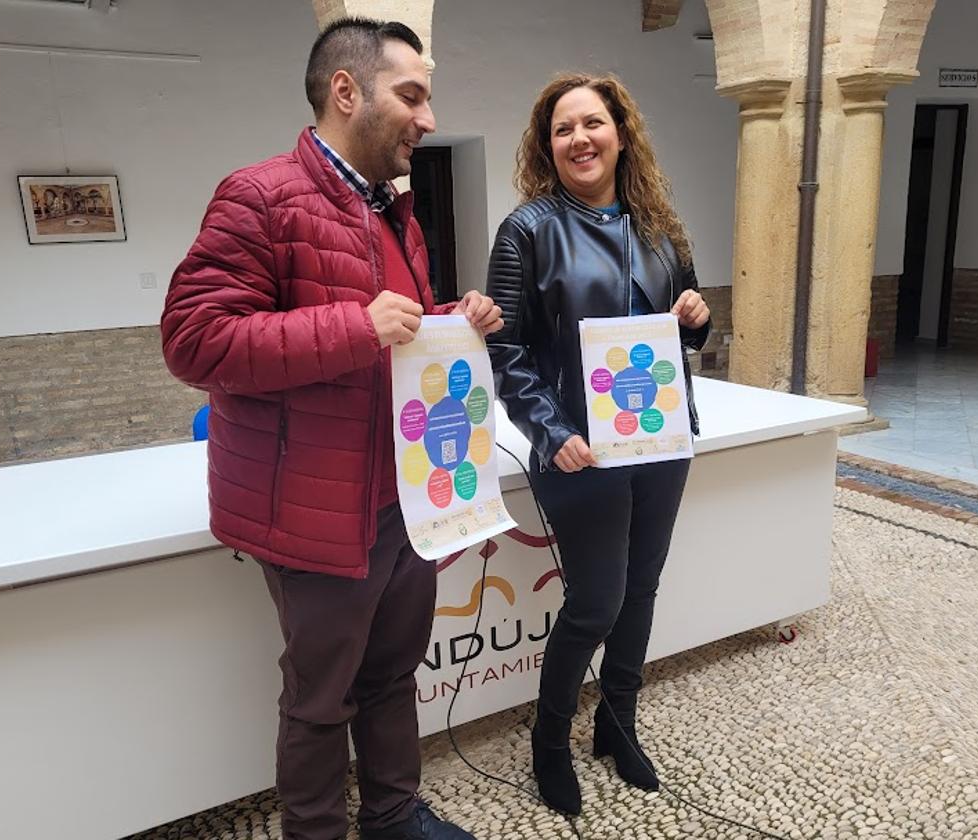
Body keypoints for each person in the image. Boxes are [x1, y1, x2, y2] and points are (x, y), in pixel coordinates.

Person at [162, 17, 501, 840]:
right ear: (346, 91)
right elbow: (194, 341)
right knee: (319, 698)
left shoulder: (397, 215)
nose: (426, 118)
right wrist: (356, 326)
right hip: (313, 513)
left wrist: (451, 320)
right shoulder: (260, 195)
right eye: (411, 95)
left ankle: (391, 816)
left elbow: (395, 331)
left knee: (391, 675)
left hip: (405, 502)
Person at [485, 73, 711, 816]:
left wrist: (695, 316)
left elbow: (688, 325)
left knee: (640, 592)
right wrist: (553, 433)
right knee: (594, 602)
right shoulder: (527, 230)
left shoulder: (660, 228)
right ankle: (550, 743)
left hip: (660, 439)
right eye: (562, 129)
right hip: (578, 449)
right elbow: (508, 352)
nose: (579, 138)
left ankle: (617, 725)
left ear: (620, 132)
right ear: (547, 146)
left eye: (592, 123)